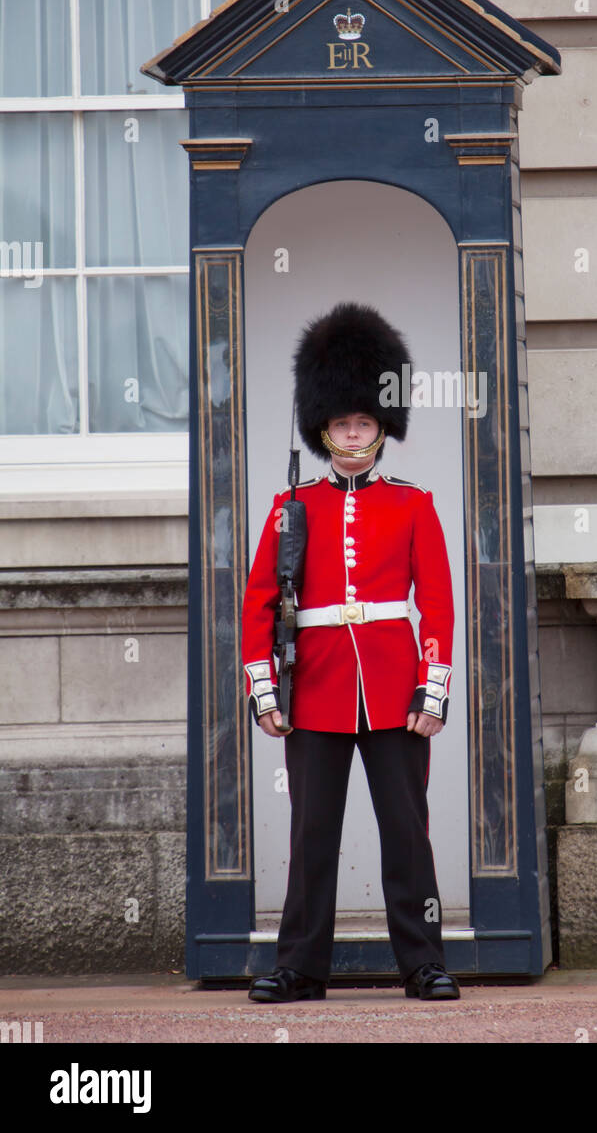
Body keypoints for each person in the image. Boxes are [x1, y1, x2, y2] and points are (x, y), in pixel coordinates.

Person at [241, 301, 460, 1001]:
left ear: (381, 425)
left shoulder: (413, 504)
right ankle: (301, 967)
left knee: (406, 833)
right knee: (311, 840)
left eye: (364, 421)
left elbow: (439, 605)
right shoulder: (291, 508)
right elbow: (259, 604)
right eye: (342, 422)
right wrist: (264, 688)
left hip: (395, 689)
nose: (354, 431)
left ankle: (423, 962)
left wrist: (433, 687)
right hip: (317, 690)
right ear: (323, 427)